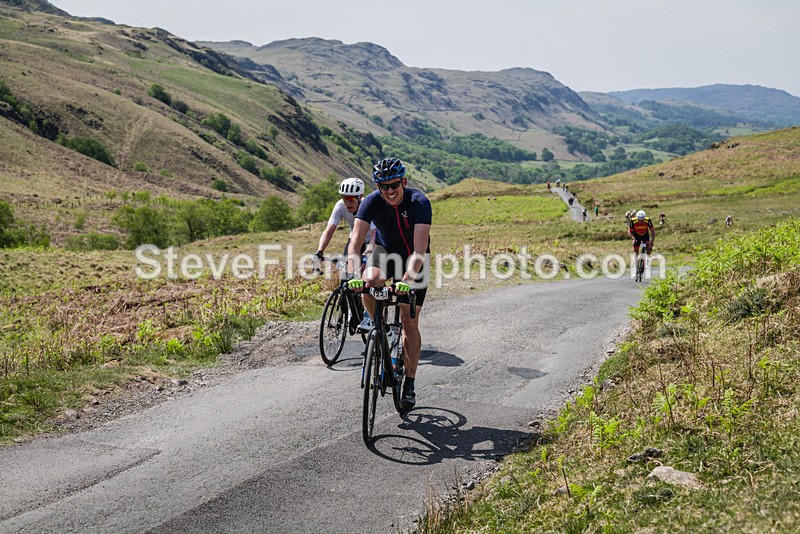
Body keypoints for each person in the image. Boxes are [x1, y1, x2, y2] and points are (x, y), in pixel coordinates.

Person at [346, 157, 432, 411]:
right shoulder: (372, 202)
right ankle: (378, 329)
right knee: (369, 280)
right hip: (385, 252)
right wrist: (352, 274)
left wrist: (405, 281)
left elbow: (419, 250)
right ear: (378, 187)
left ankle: (409, 383)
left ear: (404, 182)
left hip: (415, 260)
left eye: (394, 184)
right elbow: (355, 242)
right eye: (384, 186)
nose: (390, 191)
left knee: (408, 320)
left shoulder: (419, 203)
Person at [315, 177, 376, 331]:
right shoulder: (340, 206)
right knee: (345, 278)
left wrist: (368, 256)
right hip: (355, 240)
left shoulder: (368, 206)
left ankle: (370, 316)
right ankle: (351, 312)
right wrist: (319, 251)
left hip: (372, 241)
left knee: (366, 277)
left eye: (351, 200)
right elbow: (329, 230)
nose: (348, 203)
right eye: (345, 199)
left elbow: (375, 233)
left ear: (360, 197)